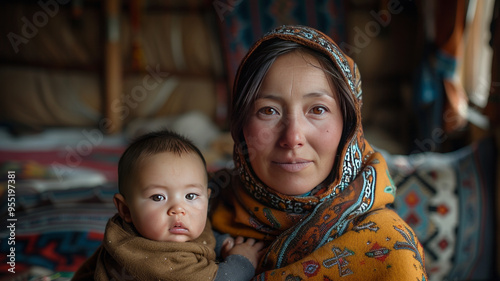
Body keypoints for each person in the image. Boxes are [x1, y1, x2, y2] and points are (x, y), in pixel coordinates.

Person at [209, 25, 428, 280]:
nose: (293, 138)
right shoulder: (184, 211)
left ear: (348, 127)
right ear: (240, 125)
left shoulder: (389, 251)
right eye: (268, 110)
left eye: (318, 109)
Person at [72, 129, 264, 281]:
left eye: (190, 195)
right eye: (158, 197)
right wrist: (242, 259)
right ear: (125, 210)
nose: (178, 209)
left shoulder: (171, 228)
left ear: (206, 199)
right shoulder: (151, 259)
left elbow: (203, 238)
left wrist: (222, 243)